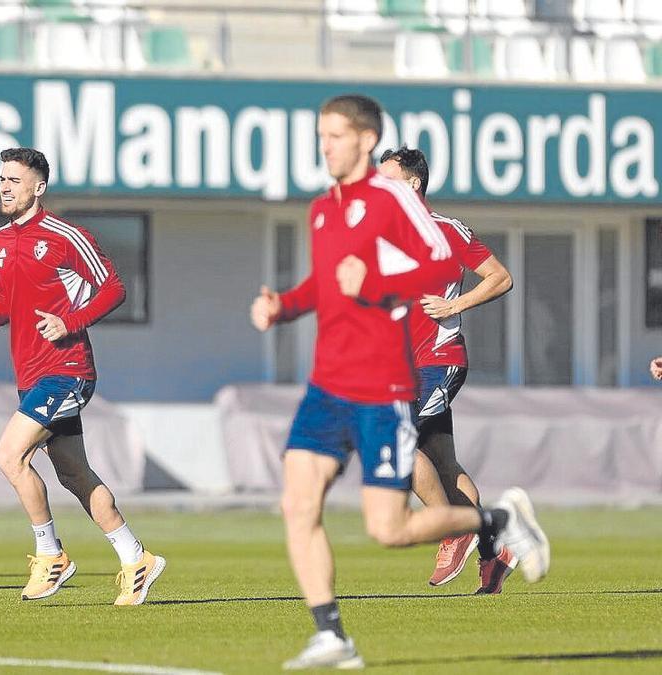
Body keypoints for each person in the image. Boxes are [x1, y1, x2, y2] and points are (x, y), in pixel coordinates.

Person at [249, 96, 549, 670]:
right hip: (328, 381)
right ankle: (331, 635)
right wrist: (282, 306)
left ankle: (494, 524)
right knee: (298, 502)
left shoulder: (398, 204)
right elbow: (326, 286)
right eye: (321, 135)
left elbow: (437, 261)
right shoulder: (322, 210)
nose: (325, 145)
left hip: (387, 379)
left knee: (388, 527)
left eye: (335, 135)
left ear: (365, 140)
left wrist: (382, 279)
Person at [0, 147, 165, 606]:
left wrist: (70, 322)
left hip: (67, 370)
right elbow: (4, 305)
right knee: (74, 473)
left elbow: (114, 287)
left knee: (10, 455)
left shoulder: (64, 235)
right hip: (31, 374)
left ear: (39, 187)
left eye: (15, 180)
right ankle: (136, 558)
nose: (4, 186)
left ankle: (50, 554)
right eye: (2, 179)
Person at [377, 146, 518, 593]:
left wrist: (455, 304)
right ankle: (494, 555)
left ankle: (450, 529)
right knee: (443, 464)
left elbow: (500, 276)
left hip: (439, 362)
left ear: (414, 183)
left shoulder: (446, 230)